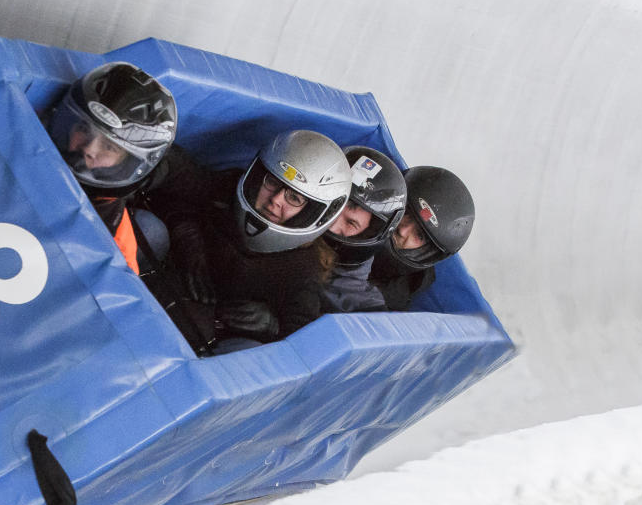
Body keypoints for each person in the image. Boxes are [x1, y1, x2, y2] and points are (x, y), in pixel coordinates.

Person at [147, 129, 353, 349]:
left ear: (313, 213)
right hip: (158, 280)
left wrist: (273, 326)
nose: (275, 200)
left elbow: (302, 341)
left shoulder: (303, 270)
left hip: (200, 334)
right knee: (149, 229)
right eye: (272, 182)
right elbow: (186, 176)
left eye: (294, 198)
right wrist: (183, 228)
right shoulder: (230, 189)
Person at [46, 62, 177, 272]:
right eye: (83, 129)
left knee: (152, 232)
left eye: (108, 146)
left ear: (127, 161)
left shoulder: (117, 239)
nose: (89, 149)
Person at [369, 165, 476, 310]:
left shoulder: (386, 299)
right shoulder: (349, 216)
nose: (403, 230)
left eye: (419, 235)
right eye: (406, 213)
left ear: (425, 252)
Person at [318, 146, 407, 313]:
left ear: (368, 234)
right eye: (333, 208)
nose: (332, 225)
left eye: (351, 223)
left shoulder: (366, 309)